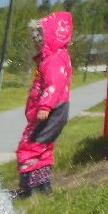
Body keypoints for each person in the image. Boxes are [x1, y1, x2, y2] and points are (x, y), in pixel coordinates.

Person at [16, 12, 73, 199]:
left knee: (29, 145)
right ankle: (43, 187)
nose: (34, 41)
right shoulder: (51, 57)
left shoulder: (54, 59)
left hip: (51, 110)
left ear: (47, 37)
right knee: (43, 147)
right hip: (53, 110)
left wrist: (44, 107)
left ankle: (28, 188)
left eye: (37, 37)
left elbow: (54, 84)